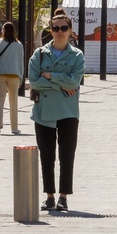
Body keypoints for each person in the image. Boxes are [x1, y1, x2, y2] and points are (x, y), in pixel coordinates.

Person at [28, 11, 86, 212]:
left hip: (68, 111)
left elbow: (75, 82)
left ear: (70, 31)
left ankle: (63, 196)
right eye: (55, 28)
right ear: (50, 31)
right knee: (46, 156)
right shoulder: (39, 54)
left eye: (63, 28)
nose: (59, 31)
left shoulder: (77, 55)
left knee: (67, 155)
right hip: (43, 112)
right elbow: (34, 82)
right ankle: (49, 196)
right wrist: (60, 84)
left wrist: (50, 76)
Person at [0, 21, 25, 134]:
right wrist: (21, 77)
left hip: (0, 74)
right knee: (13, 102)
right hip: (14, 75)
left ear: (3, 30)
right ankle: (14, 127)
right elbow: (21, 62)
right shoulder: (19, 45)